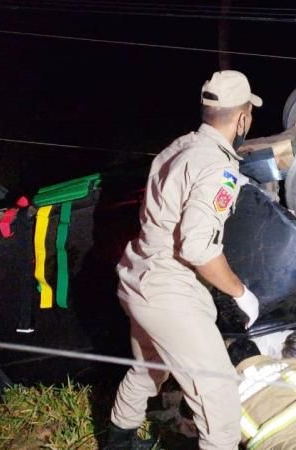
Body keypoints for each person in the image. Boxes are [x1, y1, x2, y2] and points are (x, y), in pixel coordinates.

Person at [106, 70, 263, 450]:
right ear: (242, 119)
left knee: (149, 367)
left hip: (138, 272)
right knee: (219, 396)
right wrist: (240, 293)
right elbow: (198, 249)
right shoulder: (220, 168)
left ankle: (117, 442)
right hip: (167, 288)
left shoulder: (178, 147)